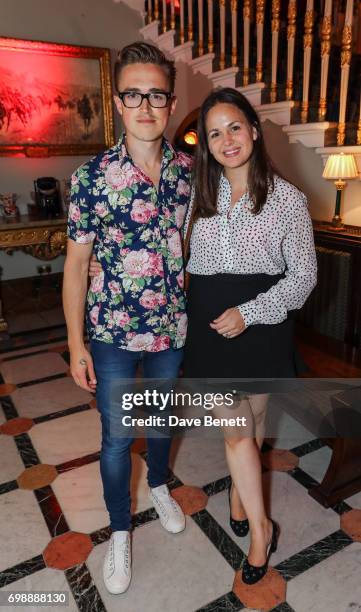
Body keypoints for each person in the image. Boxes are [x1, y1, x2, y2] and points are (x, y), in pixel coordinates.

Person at [63, 42, 193, 595]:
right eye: (134, 94)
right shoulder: (91, 178)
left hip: (172, 331)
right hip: (112, 332)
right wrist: (76, 344)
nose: (146, 105)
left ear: (170, 101)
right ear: (117, 102)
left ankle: (159, 485)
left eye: (156, 94)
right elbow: (74, 268)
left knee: (161, 424)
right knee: (117, 438)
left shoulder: (189, 173)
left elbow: (191, 245)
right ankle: (120, 532)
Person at [182, 87, 317, 584]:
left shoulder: (288, 200)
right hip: (210, 326)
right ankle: (262, 530)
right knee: (237, 426)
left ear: (255, 131)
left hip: (262, 323)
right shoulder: (197, 192)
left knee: (254, 419)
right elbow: (178, 256)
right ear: (207, 144)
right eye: (214, 133)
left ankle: (240, 497)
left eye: (234, 127)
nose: (226, 140)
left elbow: (304, 276)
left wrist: (253, 312)